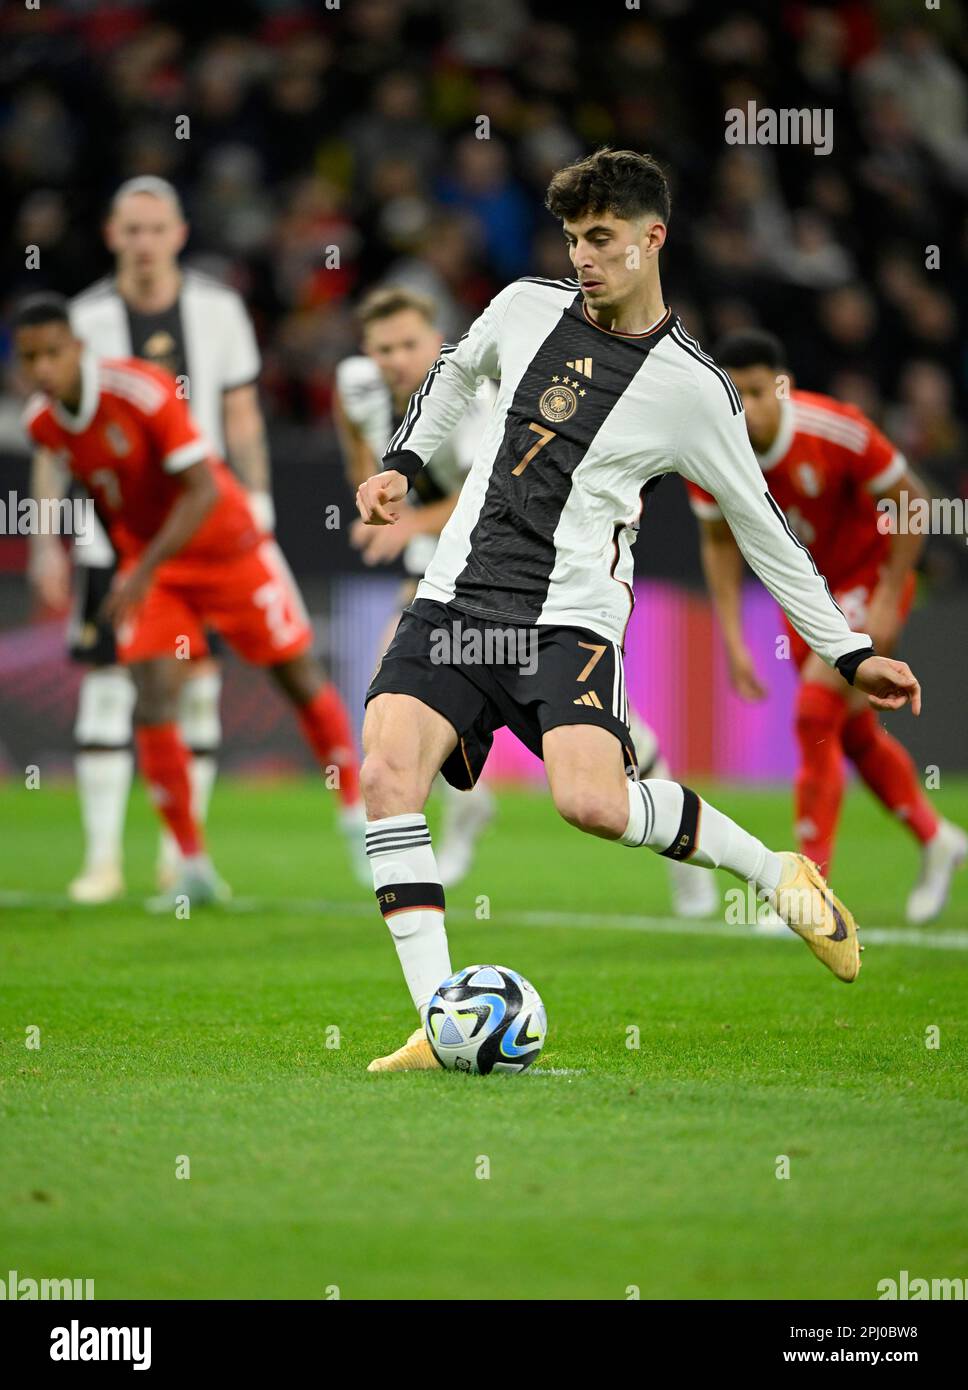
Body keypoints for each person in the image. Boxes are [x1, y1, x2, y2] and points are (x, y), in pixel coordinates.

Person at [353, 149, 922, 1072]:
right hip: (455, 597)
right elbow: (455, 373)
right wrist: (402, 463)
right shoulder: (521, 306)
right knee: (384, 774)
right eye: (575, 238)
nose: (584, 256)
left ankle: (775, 873)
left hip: (568, 620)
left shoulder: (695, 392)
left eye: (603, 239)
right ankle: (440, 1021)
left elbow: (764, 529)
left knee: (591, 802)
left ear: (652, 239)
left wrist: (850, 651)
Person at [16, 293, 366, 904]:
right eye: (30, 359)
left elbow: (201, 488)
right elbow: (104, 490)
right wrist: (125, 557)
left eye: (53, 353)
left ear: (76, 348)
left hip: (227, 549)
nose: (43, 369)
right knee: (152, 696)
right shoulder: (44, 424)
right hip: (156, 573)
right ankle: (191, 864)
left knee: (296, 675)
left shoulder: (142, 392)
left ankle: (357, 816)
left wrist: (140, 565)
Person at [28, 176, 275, 903]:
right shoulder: (83, 318)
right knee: (106, 691)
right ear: (111, 236)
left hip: (202, 537)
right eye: (130, 229)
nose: (143, 242)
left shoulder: (219, 309)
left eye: (155, 228)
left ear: (179, 233)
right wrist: (49, 539)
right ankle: (102, 860)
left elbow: (243, 415)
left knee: (197, 690)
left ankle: (180, 857)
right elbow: (54, 444)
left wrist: (257, 504)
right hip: (113, 543)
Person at [686, 329, 965, 923]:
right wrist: (734, 638)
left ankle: (809, 889)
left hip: (867, 580)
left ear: (780, 390)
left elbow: (913, 501)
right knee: (852, 734)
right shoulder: (709, 451)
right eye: (736, 396)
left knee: (814, 714)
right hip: (808, 602)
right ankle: (936, 837)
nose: (749, 408)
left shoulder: (832, 428)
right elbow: (718, 543)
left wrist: (888, 600)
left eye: (758, 392)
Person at [333, 286, 495, 886]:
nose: (396, 359)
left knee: (606, 735)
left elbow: (483, 499)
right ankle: (456, 817)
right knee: (395, 687)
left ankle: (459, 813)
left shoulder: (471, 399)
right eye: (383, 348)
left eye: (409, 345)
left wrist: (409, 527)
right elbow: (352, 429)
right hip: (440, 556)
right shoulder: (355, 383)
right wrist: (371, 490)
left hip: (507, 551)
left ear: (436, 343)